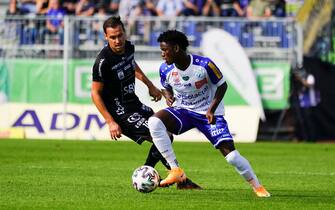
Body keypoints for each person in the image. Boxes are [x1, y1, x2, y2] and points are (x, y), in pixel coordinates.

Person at [147, 30, 271, 197]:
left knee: (232, 157)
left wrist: (212, 108)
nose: (162, 54)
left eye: (165, 50)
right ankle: (175, 169)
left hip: (207, 114)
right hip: (183, 111)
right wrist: (167, 94)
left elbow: (222, 85)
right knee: (155, 122)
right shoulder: (165, 69)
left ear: (176, 48)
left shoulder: (204, 65)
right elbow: (166, 86)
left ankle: (257, 186)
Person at [91, 16, 201, 190]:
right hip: (120, 111)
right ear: (106, 37)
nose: (118, 40)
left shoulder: (128, 47)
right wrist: (110, 121)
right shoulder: (103, 62)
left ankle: (162, 175)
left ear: (124, 33)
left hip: (133, 103)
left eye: (120, 35)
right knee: (163, 136)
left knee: (164, 132)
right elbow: (95, 93)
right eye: (113, 37)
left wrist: (150, 86)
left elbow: (132, 65)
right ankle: (177, 179)